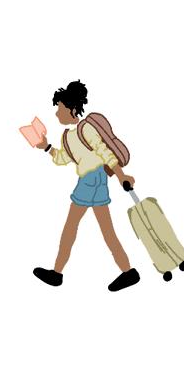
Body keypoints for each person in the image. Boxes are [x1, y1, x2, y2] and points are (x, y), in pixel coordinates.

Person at [31, 80, 140, 291]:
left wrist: (121, 176)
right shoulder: (67, 136)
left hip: (92, 181)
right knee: (106, 231)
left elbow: (105, 153)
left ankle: (57, 273)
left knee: (71, 228)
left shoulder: (86, 128)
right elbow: (62, 158)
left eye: (60, 109)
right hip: (92, 182)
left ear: (72, 109)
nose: (57, 114)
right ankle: (128, 272)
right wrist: (46, 147)